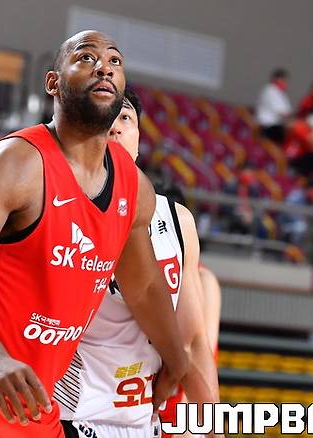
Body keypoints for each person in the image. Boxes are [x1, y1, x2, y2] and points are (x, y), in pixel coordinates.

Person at [0, 31, 189, 438]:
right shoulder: (15, 163)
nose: (104, 67)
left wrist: (177, 360)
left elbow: (145, 287)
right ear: (53, 82)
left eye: (115, 61)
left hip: (34, 405)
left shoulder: (134, 187)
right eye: (86, 58)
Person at [56, 86, 221, 438]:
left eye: (126, 117)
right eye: (107, 118)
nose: (116, 126)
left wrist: (211, 430)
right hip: (68, 416)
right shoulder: (56, 206)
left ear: (139, 139)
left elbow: (193, 341)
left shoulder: (177, 221)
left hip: (142, 421)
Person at [256, 68, 291, 144]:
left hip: (275, 126)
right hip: (268, 127)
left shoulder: (279, 92)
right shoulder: (271, 91)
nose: (285, 83)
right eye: (283, 80)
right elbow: (282, 113)